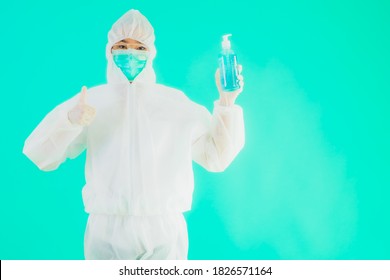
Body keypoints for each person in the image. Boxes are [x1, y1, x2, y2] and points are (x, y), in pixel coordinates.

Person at [23, 9, 245, 260]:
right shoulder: (92, 101)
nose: (130, 53)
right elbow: (39, 152)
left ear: (151, 53)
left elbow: (217, 156)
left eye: (139, 48)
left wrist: (227, 104)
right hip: (106, 230)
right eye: (122, 45)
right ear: (109, 51)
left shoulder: (175, 104)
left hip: (164, 229)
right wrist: (69, 122)